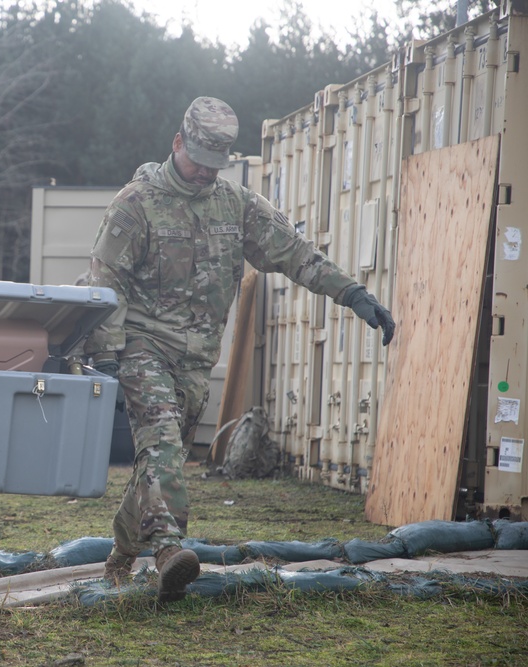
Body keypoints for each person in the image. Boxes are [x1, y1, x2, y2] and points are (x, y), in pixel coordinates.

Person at [85, 97, 395, 604]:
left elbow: (294, 254)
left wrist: (354, 295)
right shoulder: (135, 204)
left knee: (156, 463)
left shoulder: (235, 204)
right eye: (198, 162)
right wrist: (104, 358)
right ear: (177, 143)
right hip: (144, 347)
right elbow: (106, 282)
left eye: (215, 166)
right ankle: (168, 553)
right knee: (162, 445)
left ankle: (119, 560)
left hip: (196, 358)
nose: (205, 174)